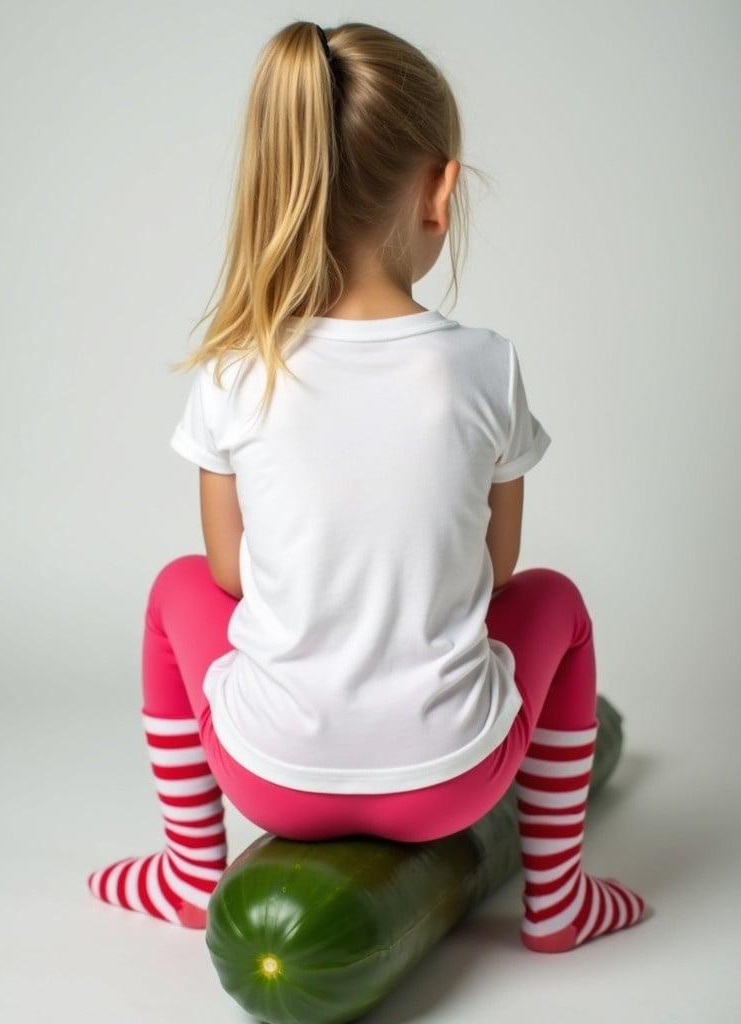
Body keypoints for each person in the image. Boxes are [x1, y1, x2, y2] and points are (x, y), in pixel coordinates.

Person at [87, 19, 653, 953]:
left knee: (173, 589)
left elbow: (230, 576)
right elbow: (498, 570)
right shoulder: (487, 367)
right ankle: (560, 901)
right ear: (440, 190)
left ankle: (192, 870)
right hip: (453, 783)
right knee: (560, 603)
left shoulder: (236, 369)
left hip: (269, 777)